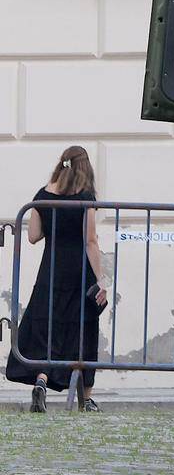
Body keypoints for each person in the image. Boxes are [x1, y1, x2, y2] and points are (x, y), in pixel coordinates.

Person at [6, 146, 110, 412]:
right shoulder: (86, 198)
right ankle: (86, 399)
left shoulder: (43, 196)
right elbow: (90, 241)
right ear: (85, 168)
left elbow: (32, 236)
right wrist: (102, 280)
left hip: (50, 270)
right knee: (81, 331)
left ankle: (41, 381)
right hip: (80, 272)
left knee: (47, 327)